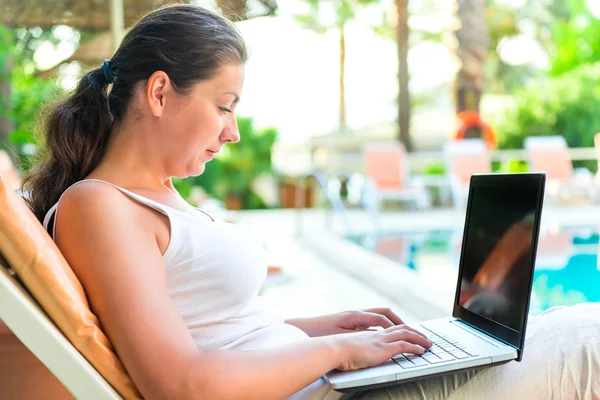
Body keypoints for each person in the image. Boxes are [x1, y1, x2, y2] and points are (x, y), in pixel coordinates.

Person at [20, 5, 599, 400]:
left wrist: (324, 327)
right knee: (587, 344)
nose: (234, 131)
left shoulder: (157, 199)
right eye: (225, 105)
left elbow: (215, 331)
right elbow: (182, 384)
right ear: (161, 92)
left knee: (567, 327)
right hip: (323, 391)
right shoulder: (98, 206)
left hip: (328, 382)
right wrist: (339, 349)